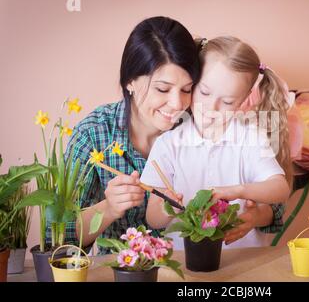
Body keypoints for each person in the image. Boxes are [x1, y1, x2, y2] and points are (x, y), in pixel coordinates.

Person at [56, 19, 284, 253]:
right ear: (130, 81)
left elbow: (273, 201)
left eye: (187, 89)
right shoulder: (95, 134)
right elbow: (58, 237)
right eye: (162, 89)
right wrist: (110, 208)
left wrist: (255, 214)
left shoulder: (207, 117)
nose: (177, 104)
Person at [142, 36, 292, 249]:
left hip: (243, 262)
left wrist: (238, 191)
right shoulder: (168, 144)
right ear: (192, 82)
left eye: (228, 101)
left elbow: (280, 189)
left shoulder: (250, 138)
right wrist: (169, 208)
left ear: (243, 99)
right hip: (185, 263)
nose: (212, 107)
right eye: (204, 92)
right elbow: (153, 219)